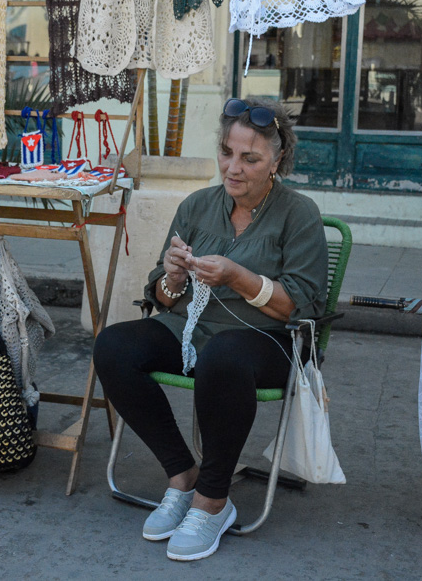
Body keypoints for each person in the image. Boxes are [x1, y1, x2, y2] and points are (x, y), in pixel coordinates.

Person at [93, 97, 328, 561]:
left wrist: (237, 275)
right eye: (226, 152)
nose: (233, 167)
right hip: (192, 328)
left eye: (250, 158)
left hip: (269, 342)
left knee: (224, 353)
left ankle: (213, 501)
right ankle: (183, 476)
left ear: (277, 160)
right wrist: (173, 278)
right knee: (114, 346)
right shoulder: (199, 205)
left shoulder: (299, 214)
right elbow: (160, 298)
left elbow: (300, 306)